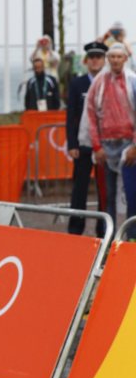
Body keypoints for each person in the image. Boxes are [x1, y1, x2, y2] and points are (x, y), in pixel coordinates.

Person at [85, 43, 136, 234]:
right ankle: (109, 239)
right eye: (112, 57)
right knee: (108, 197)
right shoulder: (99, 83)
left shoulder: (133, 81)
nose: (115, 60)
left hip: (128, 146)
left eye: (119, 57)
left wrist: (135, 147)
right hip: (105, 148)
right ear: (108, 59)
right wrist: (96, 146)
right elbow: (90, 113)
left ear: (125, 59)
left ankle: (132, 238)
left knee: (132, 195)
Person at [66, 41, 108, 236]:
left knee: (105, 191)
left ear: (103, 60)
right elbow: (71, 115)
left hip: (105, 147)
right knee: (79, 190)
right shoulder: (77, 84)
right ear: (86, 61)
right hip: (83, 146)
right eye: (91, 57)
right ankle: (75, 229)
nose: (95, 61)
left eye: (98, 57)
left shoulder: (110, 82)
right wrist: (72, 143)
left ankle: (104, 231)